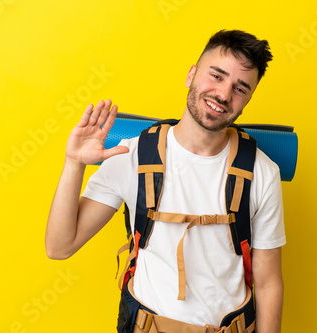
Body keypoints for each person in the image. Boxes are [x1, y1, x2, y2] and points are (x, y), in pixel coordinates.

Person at [46, 30, 285, 332]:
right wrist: (74, 164)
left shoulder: (262, 172)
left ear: (248, 99)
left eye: (240, 88)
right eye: (216, 75)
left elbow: (268, 284)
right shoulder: (130, 155)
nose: (224, 94)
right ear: (191, 75)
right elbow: (59, 247)